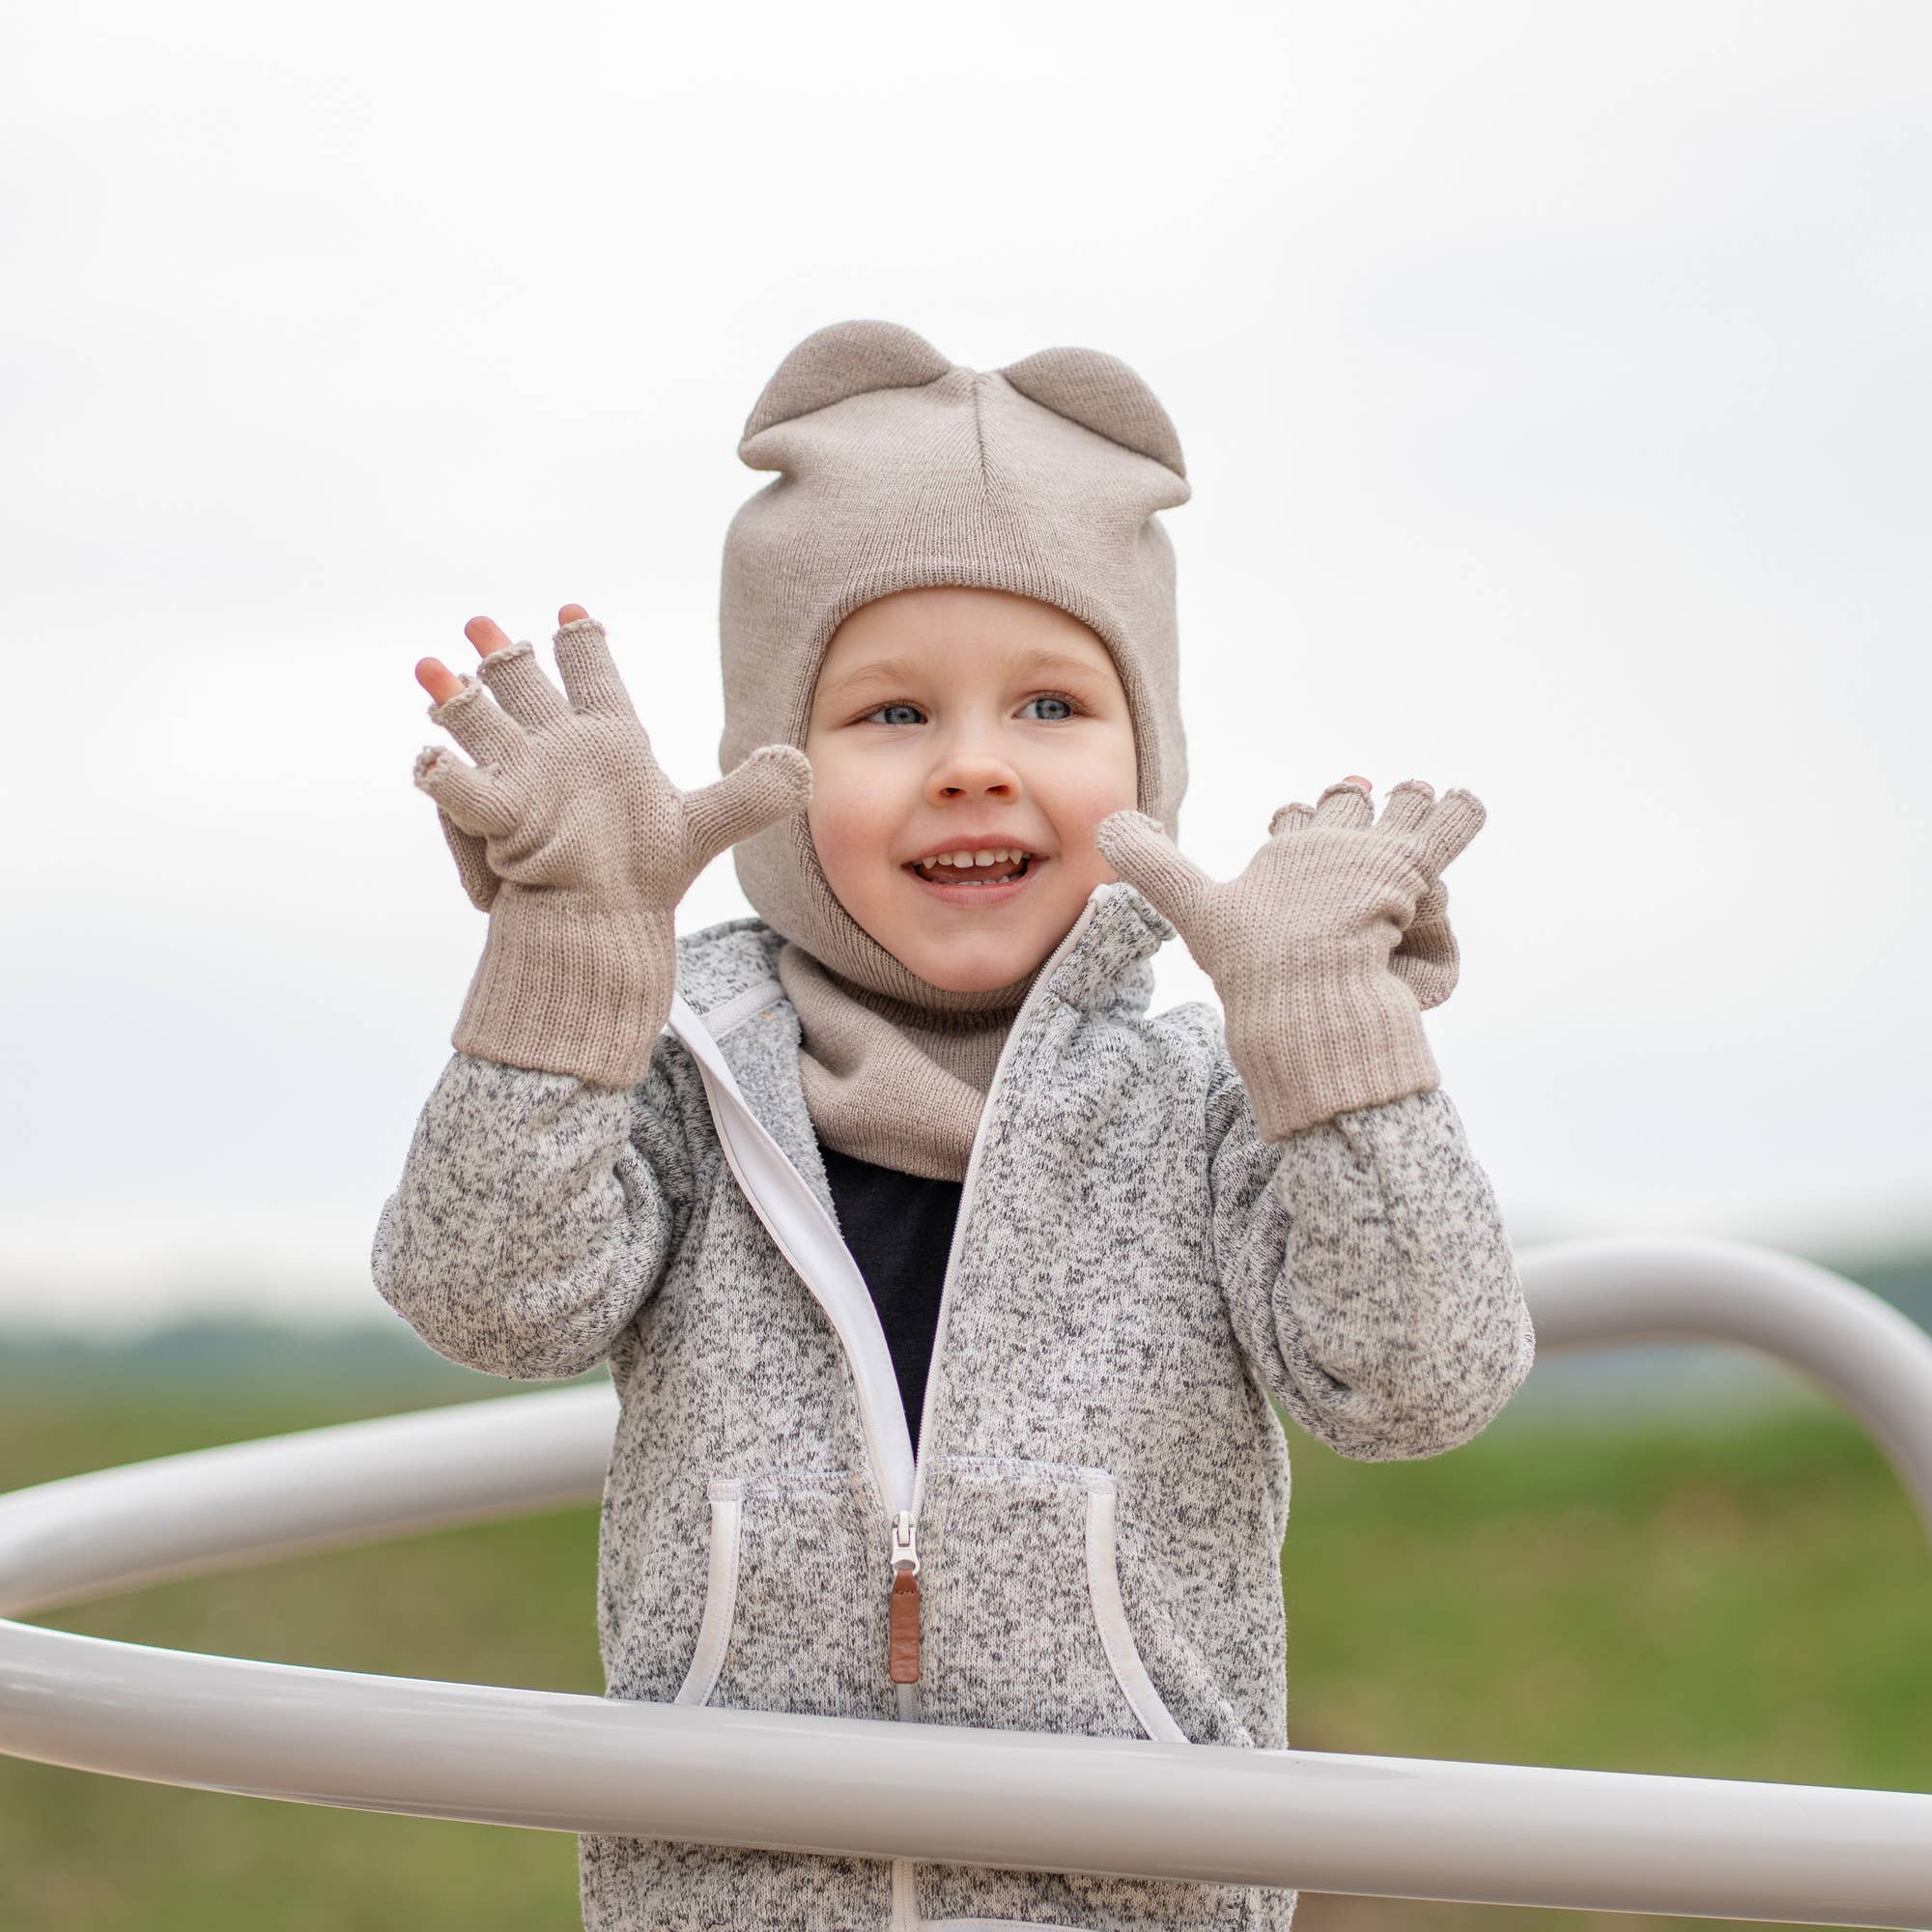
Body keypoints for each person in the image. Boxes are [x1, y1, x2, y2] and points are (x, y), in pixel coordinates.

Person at [373, 318, 1537, 1932]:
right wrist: (569, 956)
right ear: (771, 768)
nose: (975, 766)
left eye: (1051, 705)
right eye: (892, 715)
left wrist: (1331, 1040)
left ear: (1151, 759)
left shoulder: (1209, 1101)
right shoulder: (679, 1074)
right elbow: (482, 1298)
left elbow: (1424, 1384)